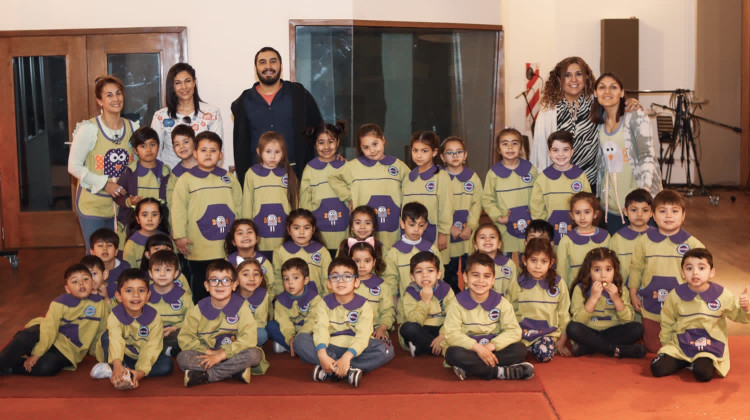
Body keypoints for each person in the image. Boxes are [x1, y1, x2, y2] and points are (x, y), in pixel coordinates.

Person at [530, 57, 640, 193]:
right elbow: (539, 150)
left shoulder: (597, 104)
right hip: (557, 183)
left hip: (590, 183)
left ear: (586, 77)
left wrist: (630, 101)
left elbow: (616, 107)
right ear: (559, 79)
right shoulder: (548, 111)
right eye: (568, 75)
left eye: (579, 74)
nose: (574, 80)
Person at [293, 257, 395, 387]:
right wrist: (323, 355)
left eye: (347, 276)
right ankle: (345, 370)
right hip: (330, 347)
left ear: (356, 282)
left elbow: (363, 336)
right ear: (329, 283)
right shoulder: (323, 303)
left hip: (356, 350)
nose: (341, 280)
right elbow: (321, 329)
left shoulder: (364, 305)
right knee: (300, 340)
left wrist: (347, 356)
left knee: (386, 349)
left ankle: (331, 369)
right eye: (335, 277)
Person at [651, 248, 750, 382]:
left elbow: (740, 316)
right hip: (681, 343)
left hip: (710, 345)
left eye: (701, 268)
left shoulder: (722, 294)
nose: (695, 272)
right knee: (657, 368)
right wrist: (667, 346)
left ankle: (695, 362)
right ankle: (685, 360)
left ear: (712, 272)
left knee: (703, 374)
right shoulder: (675, 295)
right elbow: (667, 322)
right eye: (689, 268)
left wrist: (745, 308)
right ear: (683, 273)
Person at [629, 189, 704, 354]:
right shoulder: (644, 242)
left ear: (683, 215)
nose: (669, 216)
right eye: (663, 211)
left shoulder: (693, 244)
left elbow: (703, 276)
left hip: (682, 308)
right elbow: (636, 268)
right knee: (654, 348)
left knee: (683, 345)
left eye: (675, 211)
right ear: (654, 216)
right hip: (651, 306)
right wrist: (633, 292)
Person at [68, 75, 137, 252]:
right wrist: (105, 184)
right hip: (93, 205)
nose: (116, 99)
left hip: (123, 207)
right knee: (97, 257)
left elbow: (137, 165)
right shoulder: (89, 129)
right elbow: (74, 166)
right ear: (99, 101)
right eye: (109, 95)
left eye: (118, 93)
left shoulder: (133, 128)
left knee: (122, 255)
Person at [232, 46, 322, 182]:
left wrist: (331, 156)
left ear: (281, 65)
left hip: (295, 176)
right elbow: (240, 146)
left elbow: (319, 131)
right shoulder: (243, 101)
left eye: (273, 61)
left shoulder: (299, 95)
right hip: (257, 179)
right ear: (255, 68)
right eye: (262, 62)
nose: (268, 66)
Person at [172, 131, 242, 304]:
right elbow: (178, 209)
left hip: (225, 246)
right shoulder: (185, 180)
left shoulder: (229, 179)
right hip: (198, 247)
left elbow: (239, 207)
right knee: (200, 288)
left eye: (213, 150)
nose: (208, 154)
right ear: (195, 153)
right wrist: (179, 236)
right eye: (203, 150)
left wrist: (241, 234)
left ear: (221, 155)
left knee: (227, 285)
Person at [0, 264, 107, 376]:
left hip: (66, 351)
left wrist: (98, 354)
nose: (81, 284)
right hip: (47, 335)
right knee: (25, 337)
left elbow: (101, 331)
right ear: (67, 289)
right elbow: (49, 329)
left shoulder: (99, 304)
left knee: (48, 367)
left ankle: (11, 367)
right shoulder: (59, 302)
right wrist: (37, 353)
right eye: (75, 281)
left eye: (85, 279)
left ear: (93, 283)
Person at [443, 252, 534, 381]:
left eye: (486, 276)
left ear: (492, 280)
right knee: (452, 354)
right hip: (469, 350)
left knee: (520, 349)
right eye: (475, 275)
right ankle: (500, 372)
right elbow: (451, 334)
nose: (481, 281)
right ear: (465, 277)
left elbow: (514, 331)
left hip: (492, 350)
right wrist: (478, 348)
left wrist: (490, 346)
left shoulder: (502, 302)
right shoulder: (456, 303)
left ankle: (471, 369)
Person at [591, 72, 662, 234]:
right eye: (602, 87)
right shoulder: (598, 122)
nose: (607, 91)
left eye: (613, 87)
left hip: (638, 206)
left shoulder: (635, 116)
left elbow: (646, 156)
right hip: (611, 208)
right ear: (595, 93)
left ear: (622, 92)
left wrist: (643, 194)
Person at [177, 259, 267, 386]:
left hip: (231, 353)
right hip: (206, 353)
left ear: (234, 284)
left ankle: (208, 375)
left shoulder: (242, 308)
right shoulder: (197, 310)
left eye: (226, 280)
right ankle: (233, 371)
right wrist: (209, 352)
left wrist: (222, 354)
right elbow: (185, 338)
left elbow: (249, 339)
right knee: (183, 357)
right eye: (214, 280)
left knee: (254, 355)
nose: (220, 285)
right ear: (206, 286)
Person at [329, 123, 410, 252]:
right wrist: (349, 197)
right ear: (360, 148)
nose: (372, 150)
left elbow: (411, 186)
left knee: (390, 256)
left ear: (383, 139)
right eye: (366, 147)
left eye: (375, 144)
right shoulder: (353, 166)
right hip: (363, 229)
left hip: (392, 225)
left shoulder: (398, 166)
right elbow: (333, 178)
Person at [91, 268, 172, 389]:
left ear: (148, 295)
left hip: (141, 355)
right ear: (118, 296)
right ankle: (117, 369)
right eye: (129, 290)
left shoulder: (155, 317)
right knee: (106, 337)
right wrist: (117, 363)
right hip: (121, 355)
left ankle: (120, 372)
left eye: (141, 290)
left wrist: (140, 372)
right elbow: (116, 340)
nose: (136, 295)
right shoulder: (115, 315)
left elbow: (152, 348)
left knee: (167, 365)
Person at [566, 248, 645, 358]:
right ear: (589, 271)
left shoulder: (621, 289)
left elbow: (627, 320)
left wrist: (616, 299)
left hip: (613, 331)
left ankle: (590, 347)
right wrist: (593, 299)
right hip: (589, 331)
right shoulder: (580, 288)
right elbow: (578, 321)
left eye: (608, 269)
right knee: (572, 328)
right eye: (597, 270)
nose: (603, 275)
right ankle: (618, 350)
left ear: (614, 270)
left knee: (637, 328)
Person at [506, 238, 571, 362]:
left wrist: (562, 340)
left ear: (551, 263)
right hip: (521, 332)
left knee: (544, 354)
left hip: (546, 333)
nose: (538, 266)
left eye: (543, 261)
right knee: (511, 352)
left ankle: (535, 347)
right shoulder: (517, 282)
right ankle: (527, 348)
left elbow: (564, 314)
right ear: (524, 260)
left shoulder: (558, 283)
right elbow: (509, 311)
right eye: (533, 260)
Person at [152, 63, 223, 170]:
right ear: (172, 87)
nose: (184, 87)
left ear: (194, 82)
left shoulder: (212, 113)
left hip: (203, 178)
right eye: (178, 83)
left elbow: (217, 150)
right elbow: (155, 153)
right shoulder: (160, 116)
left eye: (188, 81)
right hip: (171, 178)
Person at [241, 131, 299, 257]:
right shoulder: (251, 174)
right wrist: (247, 230)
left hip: (283, 232)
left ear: (283, 153)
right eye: (268, 152)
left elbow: (295, 203)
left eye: (277, 152)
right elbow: (246, 203)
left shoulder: (288, 173)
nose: (272, 156)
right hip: (259, 234)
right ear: (259, 151)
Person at [530, 130, 592, 246]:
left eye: (565, 149)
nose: (561, 154)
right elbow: (537, 210)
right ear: (549, 153)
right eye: (555, 150)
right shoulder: (543, 178)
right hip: (551, 237)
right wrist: (544, 234)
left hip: (577, 234)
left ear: (572, 151)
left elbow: (588, 205)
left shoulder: (580, 176)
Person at [483, 128, 537, 257]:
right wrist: (499, 217)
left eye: (514, 143)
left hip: (528, 226)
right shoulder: (493, 173)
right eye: (505, 143)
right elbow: (487, 199)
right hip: (504, 228)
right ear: (498, 149)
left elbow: (539, 196)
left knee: (527, 262)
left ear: (521, 147)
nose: (510, 147)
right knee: (503, 264)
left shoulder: (530, 169)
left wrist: (534, 213)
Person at [299, 122, 350, 257]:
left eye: (331, 141)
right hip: (319, 236)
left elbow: (354, 197)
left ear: (338, 142)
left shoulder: (346, 165)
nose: (326, 147)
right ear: (315, 145)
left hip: (344, 233)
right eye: (321, 142)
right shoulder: (309, 169)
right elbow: (304, 203)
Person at [440, 136, 482, 293]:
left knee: (469, 270)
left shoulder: (473, 177)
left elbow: (477, 203)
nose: (455, 155)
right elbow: (437, 206)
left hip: (467, 236)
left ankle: (469, 300)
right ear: (443, 157)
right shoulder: (438, 178)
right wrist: (448, 227)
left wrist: (470, 226)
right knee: (449, 274)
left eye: (459, 152)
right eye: (450, 153)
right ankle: (452, 302)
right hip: (447, 236)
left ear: (465, 155)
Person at [114, 126, 173, 238]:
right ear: (135, 150)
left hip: (158, 226)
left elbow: (170, 199)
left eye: (152, 144)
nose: (149, 149)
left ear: (158, 146)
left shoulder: (165, 171)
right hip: (132, 225)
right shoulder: (130, 171)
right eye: (143, 146)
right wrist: (129, 201)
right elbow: (117, 194)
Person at [402, 131, 452, 253]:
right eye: (415, 150)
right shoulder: (408, 178)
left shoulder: (442, 177)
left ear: (434, 152)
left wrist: (443, 233)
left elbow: (446, 207)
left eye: (424, 151)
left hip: (433, 234)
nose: (418, 155)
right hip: (410, 235)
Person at [382, 202, 444, 298]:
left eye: (421, 225)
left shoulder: (432, 249)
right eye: (412, 224)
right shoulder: (394, 253)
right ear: (402, 224)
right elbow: (390, 285)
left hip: (432, 305)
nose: (416, 229)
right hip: (406, 308)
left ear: (426, 226)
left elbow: (440, 278)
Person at [398, 251, 455, 356]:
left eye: (430, 270)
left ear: (438, 274)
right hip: (422, 328)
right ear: (412, 277)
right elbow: (414, 321)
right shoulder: (410, 292)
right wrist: (425, 301)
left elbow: (453, 317)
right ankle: (443, 349)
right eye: (419, 272)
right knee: (407, 328)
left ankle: (423, 347)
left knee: (460, 329)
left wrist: (442, 336)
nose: (425, 275)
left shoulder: (446, 289)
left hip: (442, 328)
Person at [266, 258, 322, 354]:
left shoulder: (315, 298)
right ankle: (295, 347)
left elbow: (312, 321)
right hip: (290, 333)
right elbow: (284, 323)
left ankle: (291, 347)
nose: (290, 282)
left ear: (306, 280)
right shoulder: (280, 301)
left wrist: (300, 338)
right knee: (270, 326)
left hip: (307, 333)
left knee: (322, 330)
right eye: (286, 279)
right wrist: (290, 337)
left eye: (295, 278)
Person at [272, 209, 331, 296]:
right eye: (296, 228)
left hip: (317, 302)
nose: (302, 232)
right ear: (289, 230)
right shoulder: (280, 252)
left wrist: (324, 302)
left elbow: (326, 279)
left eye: (306, 228)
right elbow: (277, 279)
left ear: (313, 229)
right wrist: (283, 298)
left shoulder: (322, 251)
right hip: (289, 302)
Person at [556, 192, 611, 286]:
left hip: (602, 291)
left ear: (595, 214)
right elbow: (562, 272)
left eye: (587, 212)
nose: (582, 217)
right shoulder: (566, 240)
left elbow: (611, 266)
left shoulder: (606, 236)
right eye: (577, 212)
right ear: (572, 215)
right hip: (576, 293)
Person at [148, 250, 192, 358]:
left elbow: (191, 320)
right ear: (150, 273)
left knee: (188, 336)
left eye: (168, 270)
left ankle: (164, 350)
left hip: (174, 333)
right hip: (151, 333)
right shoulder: (144, 294)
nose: (162, 274)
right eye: (157, 270)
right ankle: (167, 350)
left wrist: (175, 327)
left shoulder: (184, 296)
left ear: (176, 273)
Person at [349, 239, 393, 342]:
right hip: (349, 330)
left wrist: (382, 328)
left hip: (374, 330)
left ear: (374, 262)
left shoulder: (383, 286)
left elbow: (388, 311)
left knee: (383, 351)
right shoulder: (344, 284)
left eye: (367, 261)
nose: (362, 265)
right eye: (357, 261)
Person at [610, 189, 654, 286]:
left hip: (649, 290)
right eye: (634, 210)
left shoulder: (656, 236)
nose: (639, 214)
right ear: (625, 211)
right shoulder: (617, 238)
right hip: (623, 290)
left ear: (651, 213)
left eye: (645, 210)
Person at [224, 219, 274, 294]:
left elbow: (271, 288)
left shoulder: (264, 262)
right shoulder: (228, 262)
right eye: (240, 233)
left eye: (249, 232)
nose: (245, 235)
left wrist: (264, 301)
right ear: (234, 241)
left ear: (257, 238)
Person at [122, 198, 170, 268]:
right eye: (145, 215)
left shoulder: (166, 240)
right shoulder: (131, 244)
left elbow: (175, 267)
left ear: (160, 219)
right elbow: (129, 273)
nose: (150, 219)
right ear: (138, 219)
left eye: (154, 215)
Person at [473, 223, 518, 295]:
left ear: (499, 244)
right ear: (475, 245)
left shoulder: (509, 264)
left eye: (492, 237)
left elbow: (513, 292)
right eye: (482, 237)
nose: (487, 240)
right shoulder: (472, 265)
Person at [235, 259, 271, 346]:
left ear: (261, 279)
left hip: (254, 329)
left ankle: (242, 346)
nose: (251, 278)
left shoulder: (263, 294)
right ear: (236, 279)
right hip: (235, 330)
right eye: (245, 274)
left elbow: (260, 322)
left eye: (256, 274)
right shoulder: (230, 295)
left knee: (261, 334)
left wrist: (248, 332)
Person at [89, 228, 130, 302]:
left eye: (109, 245)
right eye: (100, 245)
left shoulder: (125, 268)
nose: (105, 249)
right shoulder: (86, 270)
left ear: (116, 252)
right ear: (92, 252)